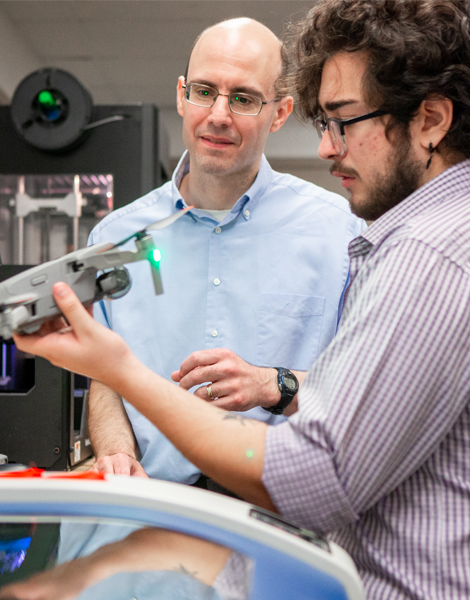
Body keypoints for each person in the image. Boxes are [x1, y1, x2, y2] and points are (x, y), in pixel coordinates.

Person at [15, 0, 470, 596]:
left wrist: (124, 371)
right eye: (204, 91)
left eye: (343, 121)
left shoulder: (434, 256)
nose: (327, 149)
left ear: (431, 120)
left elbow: (312, 479)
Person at [86, 17, 363, 486]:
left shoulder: (338, 233)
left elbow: (364, 390)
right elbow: (105, 380)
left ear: (278, 112)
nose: (217, 114)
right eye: (203, 91)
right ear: (180, 95)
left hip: (282, 513)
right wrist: (116, 452)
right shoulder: (116, 238)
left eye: (243, 99)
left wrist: (270, 382)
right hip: (158, 514)